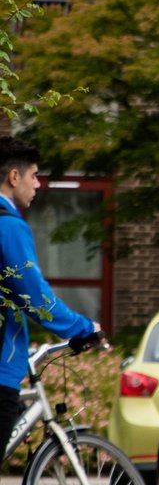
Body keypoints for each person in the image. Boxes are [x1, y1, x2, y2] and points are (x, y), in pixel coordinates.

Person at [0, 136, 97, 445]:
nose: (38, 184)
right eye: (34, 175)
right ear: (14, 177)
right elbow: (35, 298)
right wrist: (82, 328)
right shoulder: (8, 226)